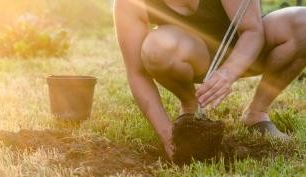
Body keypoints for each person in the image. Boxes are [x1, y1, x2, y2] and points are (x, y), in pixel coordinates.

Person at [114, 0, 306, 160]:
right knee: (157, 48)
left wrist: (227, 73)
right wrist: (167, 135)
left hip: (244, 47)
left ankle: (257, 112)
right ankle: (190, 106)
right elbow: (137, 74)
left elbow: (252, 31)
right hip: (190, 52)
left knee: (303, 23)